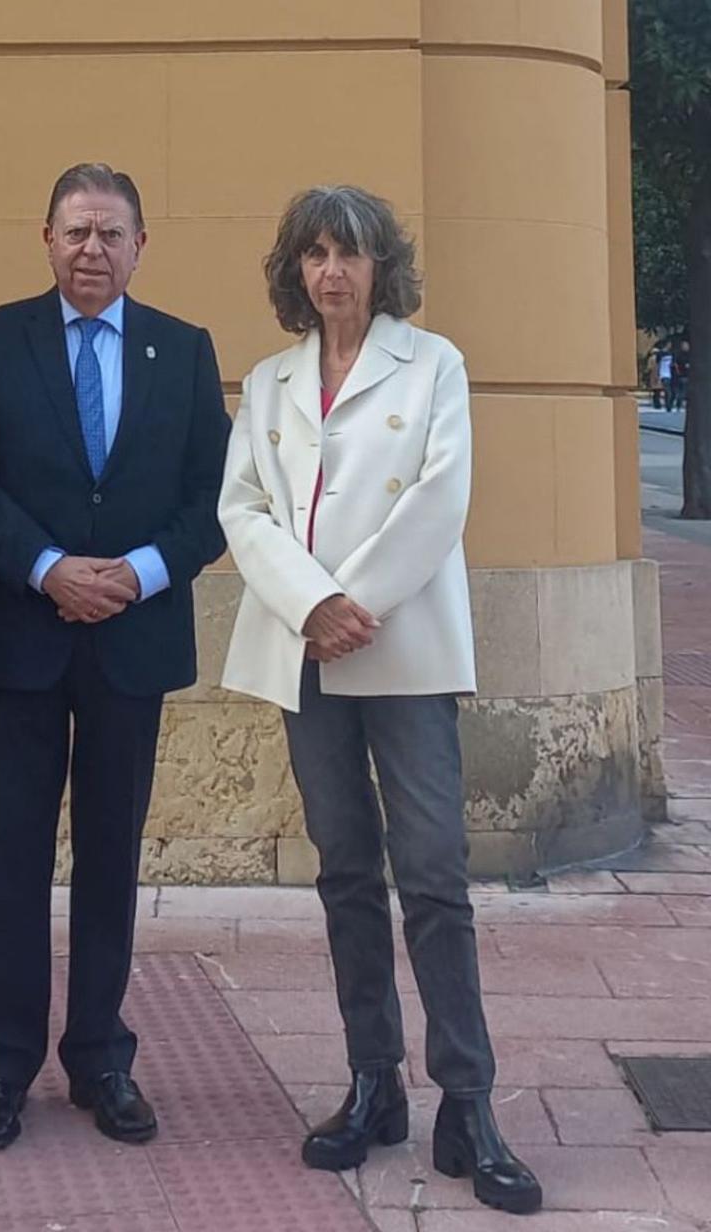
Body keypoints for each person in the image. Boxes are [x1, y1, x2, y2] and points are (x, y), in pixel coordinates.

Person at [218, 185, 542, 1217]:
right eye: (314, 253)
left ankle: (470, 1100)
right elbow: (245, 507)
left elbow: (440, 497)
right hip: (305, 657)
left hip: (403, 651)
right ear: (294, 271)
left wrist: (354, 601)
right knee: (348, 874)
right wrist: (313, 606)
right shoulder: (268, 383)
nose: (332, 271)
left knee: (436, 875)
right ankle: (373, 1083)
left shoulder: (432, 362)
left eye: (349, 253)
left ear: (379, 265)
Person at [0, 162, 230, 1152]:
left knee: (111, 860)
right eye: (75, 232)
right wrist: (47, 567)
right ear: (46, 239)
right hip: (18, 641)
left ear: (141, 245)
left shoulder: (184, 352)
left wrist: (140, 573)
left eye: (111, 234)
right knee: (9, 860)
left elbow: (213, 499)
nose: (92, 250)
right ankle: (3, 1066)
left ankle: (101, 1055)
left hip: (132, 644)